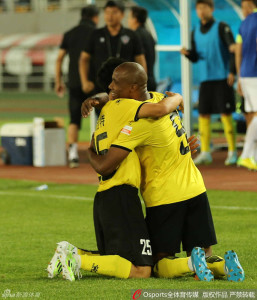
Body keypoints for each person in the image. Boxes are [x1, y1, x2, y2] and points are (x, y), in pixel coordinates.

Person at [84, 62, 244, 282]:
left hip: (164, 196)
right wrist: (178, 98)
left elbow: (106, 164)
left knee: (159, 264)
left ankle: (189, 264)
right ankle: (224, 267)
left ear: (132, 88)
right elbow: (170, 119)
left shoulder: (137, 125)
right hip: (196, 187)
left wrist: (90, 150)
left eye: (116, 83)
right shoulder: (162, 98)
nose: (111, 86)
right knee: (203, 252)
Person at [48, 85, 201, 280]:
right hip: (121, 197)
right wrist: (179, 97)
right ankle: (75, 260)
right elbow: (160, 109)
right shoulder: (123, 107)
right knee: (142, 270)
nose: (112, 88)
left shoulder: (107, 117)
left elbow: (106, 100)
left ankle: (70, 253)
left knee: (120, 259)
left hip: (106, 197)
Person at [181, 0, 237, 166]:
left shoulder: (222, 27)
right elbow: (196, 57)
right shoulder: (195, 31)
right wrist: (188, 54)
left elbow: (233, 50)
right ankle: (205, 152)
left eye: (204, 7)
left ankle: (233, 151)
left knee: (225, 114)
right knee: (204, 114)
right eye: (198, 8)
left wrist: (232, 71)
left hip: (222, 78)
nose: (201, 11)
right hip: (205, 79)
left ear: (211, 9)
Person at [79, 0, 147, 115]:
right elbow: (83, 59)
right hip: (101, 87)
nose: (110, 16)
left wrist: (142, 83)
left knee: (127, 119)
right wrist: (85, 81)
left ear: (122, 14)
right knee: (103, 120)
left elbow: (140, 60)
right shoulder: (96, 34)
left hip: (126, 89)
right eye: (107, 12)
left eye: (114, 12)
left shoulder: (131, 35)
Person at [55, 5, 99, 168]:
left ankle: (73, 155)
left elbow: (59, 58)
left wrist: (58, 81)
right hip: (94, 83)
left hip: (73, 82)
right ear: (95, 17)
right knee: (103, 116)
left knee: (74, 119)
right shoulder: (97, 33)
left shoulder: (69, 34)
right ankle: (101, 152)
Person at [235, 0, 257, 170]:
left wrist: (239, 77)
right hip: (255, 74)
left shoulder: (243, 24)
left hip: (246, 73)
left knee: (252, 115)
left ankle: (253, 157)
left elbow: (238, 51)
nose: (243, 10)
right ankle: (246, 155)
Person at [128, 6, 157, 91]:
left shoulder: (135, 36)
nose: (128, 20)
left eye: (129, 17)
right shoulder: (148, 34)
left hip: (142, 83)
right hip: (151, 79)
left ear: (135, 19)